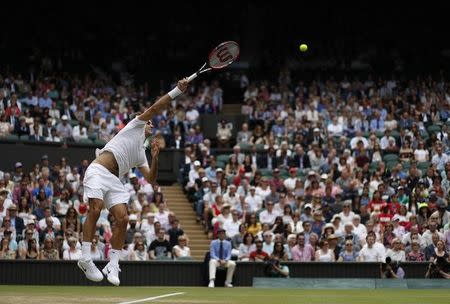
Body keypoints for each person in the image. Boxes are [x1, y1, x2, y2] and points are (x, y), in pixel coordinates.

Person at [78, 79, 188, 285]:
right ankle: (85, 258)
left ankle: (113, 264)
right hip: (98, 170)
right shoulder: (134, 125)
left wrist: (155, 157)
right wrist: (176, 91)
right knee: (95, 208)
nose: (150, 124)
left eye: (150, 124)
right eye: (148, 121)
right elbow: (156, 107)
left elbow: (150, 178)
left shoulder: (140, 153)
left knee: (123, 218)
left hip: (114, 180)